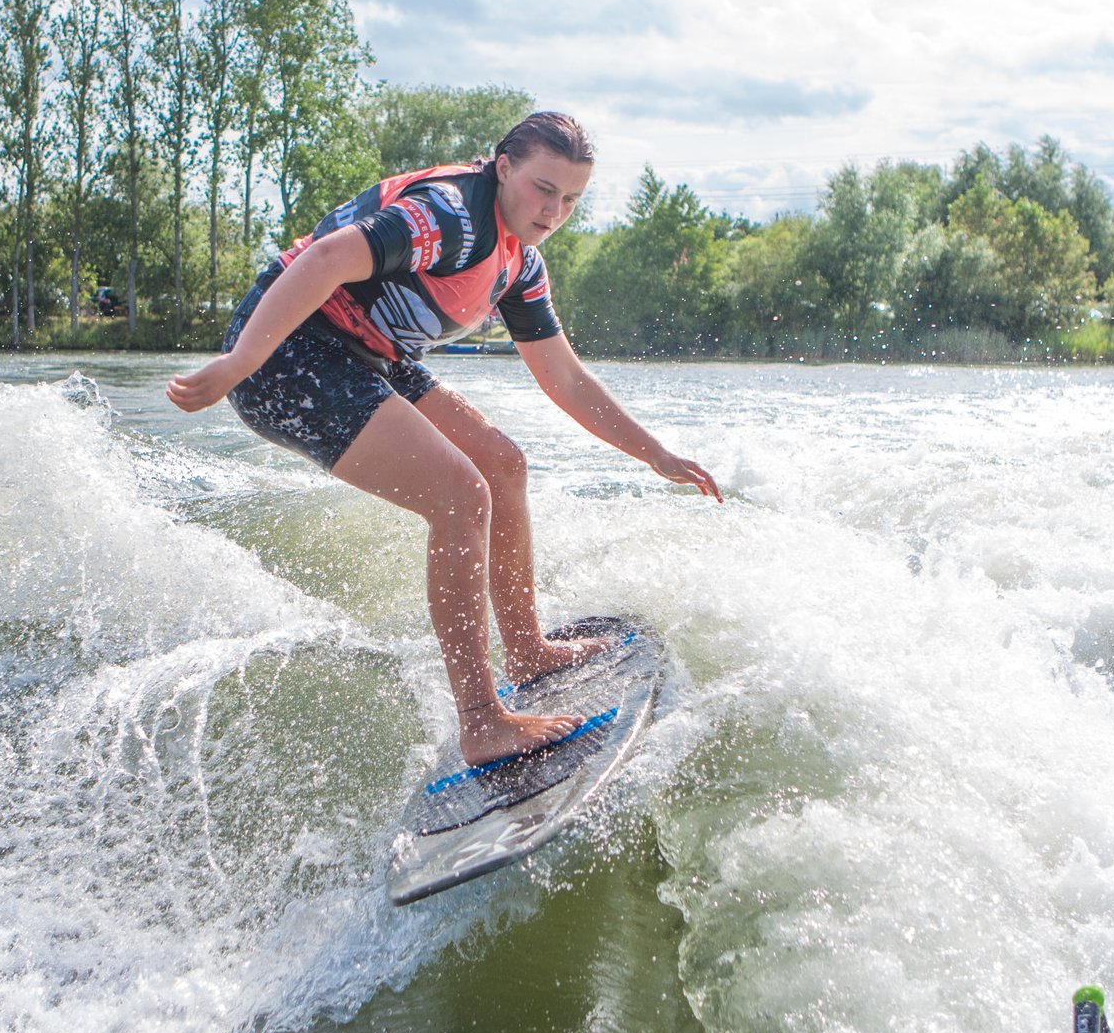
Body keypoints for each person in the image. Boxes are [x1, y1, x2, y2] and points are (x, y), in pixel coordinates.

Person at [167, 112, 721, 766]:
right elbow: (327, 256)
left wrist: (654, 453)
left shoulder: (519, 264)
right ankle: (482, 721)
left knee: (501, 464)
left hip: (367, 355)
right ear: (504, 166)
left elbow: (565, 378)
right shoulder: (451, 215)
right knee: (460, 492)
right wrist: (239, 363)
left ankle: (527, 651)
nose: (554, 210)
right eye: (544, 189)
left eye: (571, 199)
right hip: (287, 352)